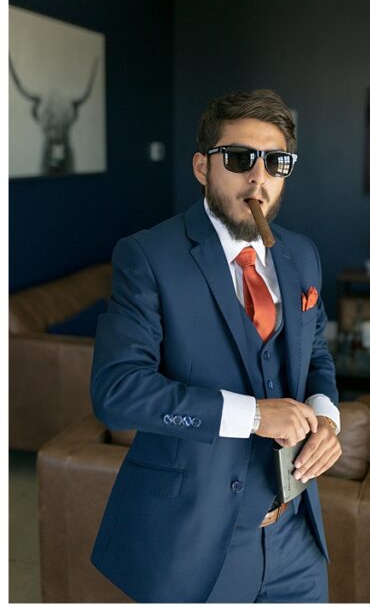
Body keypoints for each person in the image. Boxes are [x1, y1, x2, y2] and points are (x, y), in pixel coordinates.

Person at [90, 90, 341, 602]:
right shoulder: (147, 256)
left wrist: (326, 415)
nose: (259, 177)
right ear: (203, 167)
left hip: (296, 540)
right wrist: (252, 416)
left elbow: (315, 353)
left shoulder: (302, 255)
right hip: (195, 543)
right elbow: (116, 393)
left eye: (276, 162)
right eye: (241, 158)